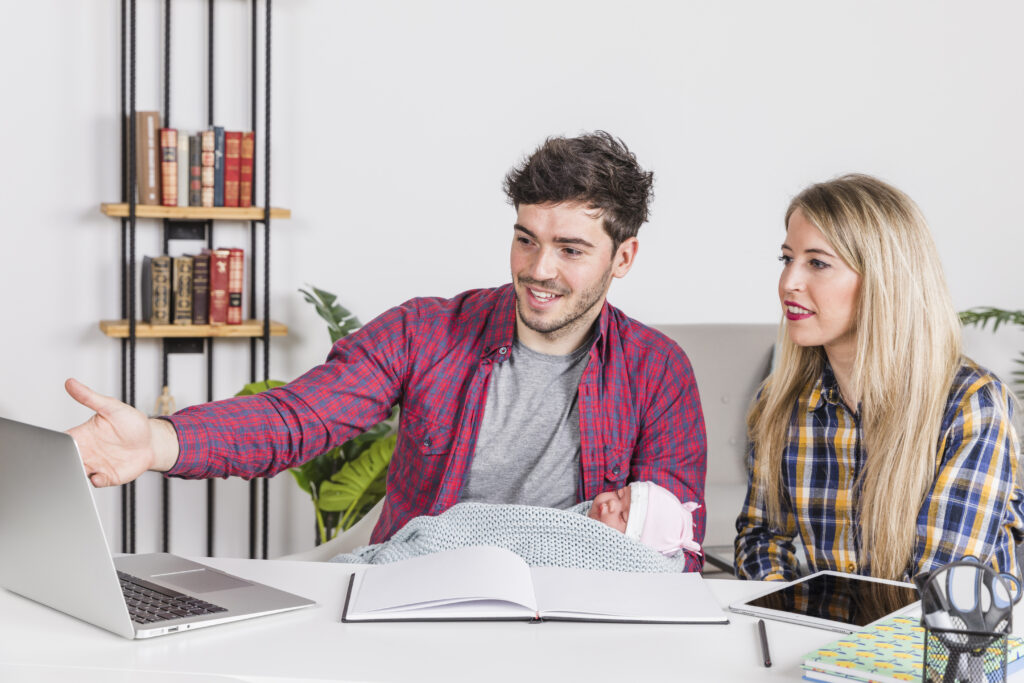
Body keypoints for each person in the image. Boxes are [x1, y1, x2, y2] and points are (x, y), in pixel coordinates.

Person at [66, 131, 708, 571]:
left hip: (570, 620)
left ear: (623, 257)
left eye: (570, 249)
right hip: (416, 597)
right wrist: (157, 441)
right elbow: (299, 417)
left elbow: (669, 547)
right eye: (525, 239)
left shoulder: (657, 371)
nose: (539, 269)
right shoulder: (424, 331)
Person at [734, 173, 1024, 583]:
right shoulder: (781, 401)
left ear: (883, 279)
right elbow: (760, 540)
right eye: (787, 259)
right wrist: (779, 603)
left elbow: (936, 587)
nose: (788, 283)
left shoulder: (971, 405)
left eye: (817, 263)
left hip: (938, 627)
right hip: (831, 625)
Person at [330, 481, 702, 571]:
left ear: (632, 545)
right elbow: (513, 529)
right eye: (619, 494)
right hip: (461, 535)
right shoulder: (579, 517)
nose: (608, 503)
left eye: (621, 515)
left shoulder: (613, 558)